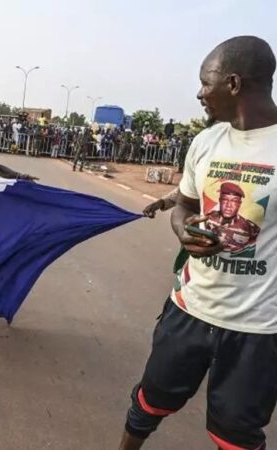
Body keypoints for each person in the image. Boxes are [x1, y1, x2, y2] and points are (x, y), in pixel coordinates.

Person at [120, 36, 277, 450]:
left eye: (205, 83)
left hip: (258, 329)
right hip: (189, 309)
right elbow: (184, 206)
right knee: (149, 401)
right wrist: (184, 230)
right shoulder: (206, 142)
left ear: (234, 83)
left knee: (236, 436)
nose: (199, 93)